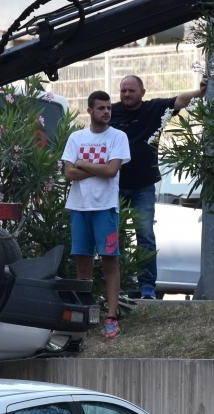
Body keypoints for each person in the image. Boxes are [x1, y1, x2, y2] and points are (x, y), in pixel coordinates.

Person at [110, 74, 207, 299]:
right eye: (123, 90)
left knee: (145, 236)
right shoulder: (111, 112)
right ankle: (120, 286)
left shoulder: (154, 109)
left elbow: (179, 100)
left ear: (142, 92)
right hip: (115, 186)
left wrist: (199, 92)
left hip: (143, 187)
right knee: (115, 237)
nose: (126, 94)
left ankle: (147, 288)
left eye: (131, 90)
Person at [62, 90, 130, 339]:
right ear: (89, 110)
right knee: (83, 264)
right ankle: (85, 316)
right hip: (79, 208)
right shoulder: (76, 138)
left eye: (109, 108)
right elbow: (68, 174)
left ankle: (111, 317)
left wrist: (82, 164)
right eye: (101, 108)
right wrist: (97, 169)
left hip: (105, 209)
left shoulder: (118, 137)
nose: (106, 112)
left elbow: (112, 171)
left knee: (110, 262)